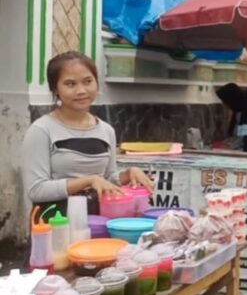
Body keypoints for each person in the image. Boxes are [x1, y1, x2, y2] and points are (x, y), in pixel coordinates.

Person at [22, 51, 154, 218]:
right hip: (55, 223)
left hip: (98, 221)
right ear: (55, 88)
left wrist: (128, 174)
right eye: (70, 84)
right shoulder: (42, 130)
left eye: (88, 81)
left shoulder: (106, 130)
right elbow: (36, 190)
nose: (81, 91)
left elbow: (108, 178)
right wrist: (88, 181)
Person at [216, 83, 246, 149]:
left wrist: (229, 146)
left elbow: (243, 139)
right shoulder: (236, 113)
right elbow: (233, 136)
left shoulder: (245, 114)